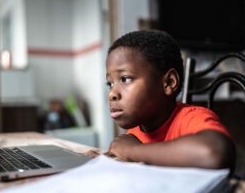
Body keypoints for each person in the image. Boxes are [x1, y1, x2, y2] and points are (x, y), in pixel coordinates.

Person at [91, 30, 235, 170]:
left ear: (169, 83)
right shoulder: (133, 134)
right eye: (110, 83)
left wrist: (132, 150)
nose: (111, 94)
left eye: (125, 79)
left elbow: (214, 153)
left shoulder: (190, 118)